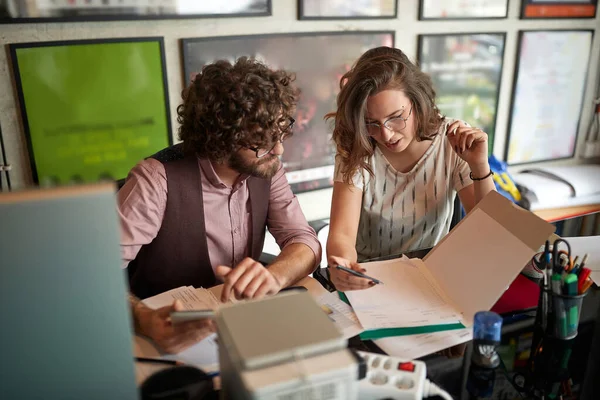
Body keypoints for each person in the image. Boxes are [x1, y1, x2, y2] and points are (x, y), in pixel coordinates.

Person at [119, 57, 321, 353]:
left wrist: (274, 275)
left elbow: (304, 241)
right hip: (165, 338)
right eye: (261, 143)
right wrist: (144, 319)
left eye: (279, 134)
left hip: (240, 328)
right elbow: (94, 276)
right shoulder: (155, 180)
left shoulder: (267, 168)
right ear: (221, 139)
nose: (277, 150)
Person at [326, 46, 496, 292]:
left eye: (396, 117)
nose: (385, 134)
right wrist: (345, 267)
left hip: (432, 277)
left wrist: (480, 166)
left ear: (417, 102)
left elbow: (490, 231)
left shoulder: (451, 140)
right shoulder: (357, 145)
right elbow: (341, 235)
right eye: (371, 122)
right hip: (370, 279)